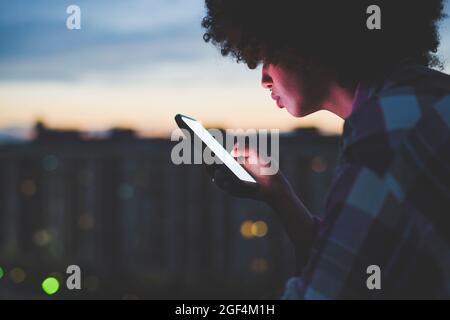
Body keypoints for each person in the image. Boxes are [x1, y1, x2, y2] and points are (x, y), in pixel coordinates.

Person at [201, 0, 450, 299]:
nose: (264, 80)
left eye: (266, 57)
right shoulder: (425, 96)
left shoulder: (388, 132)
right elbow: (355, 265)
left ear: (301, 42)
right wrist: (279, 194)